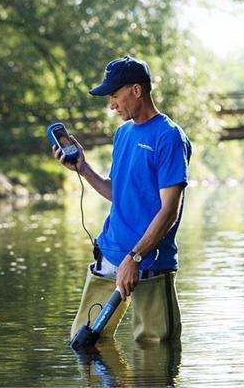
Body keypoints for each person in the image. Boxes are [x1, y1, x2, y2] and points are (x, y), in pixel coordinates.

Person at [53, 56, 191, 342]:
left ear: (137, 91)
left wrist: (135, 258)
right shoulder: (123, 133)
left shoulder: (169, 137)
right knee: (82, 344)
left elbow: (169, 211)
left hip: (151, 265)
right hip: (110, 256)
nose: (111, 104)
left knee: (155, 351)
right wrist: (83, 168)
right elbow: (118, 193)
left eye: (115, 95)